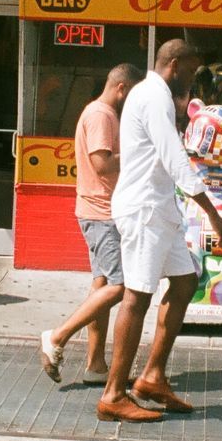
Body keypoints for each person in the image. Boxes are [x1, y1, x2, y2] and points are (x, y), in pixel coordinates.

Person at [97, 40, 222, 423]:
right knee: (136, 297)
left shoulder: (155, 96)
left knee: (186, 282)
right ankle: (113, 395)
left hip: (161, 209)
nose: (191, 81)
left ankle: (152, 376)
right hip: (144, 210)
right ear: (173, 65)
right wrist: (214, 215)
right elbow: (174, 156)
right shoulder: (153, 95)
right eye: (189, 72)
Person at [39, 63, 144, 384]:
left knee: (102, 285)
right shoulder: (101, 115)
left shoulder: (100, 112)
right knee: (120, 286)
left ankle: (96, 366)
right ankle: (57, 337)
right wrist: (141, 153)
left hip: (99, 211)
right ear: (122, 88)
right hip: (102, 213)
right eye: (134, 95)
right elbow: (102, 164)